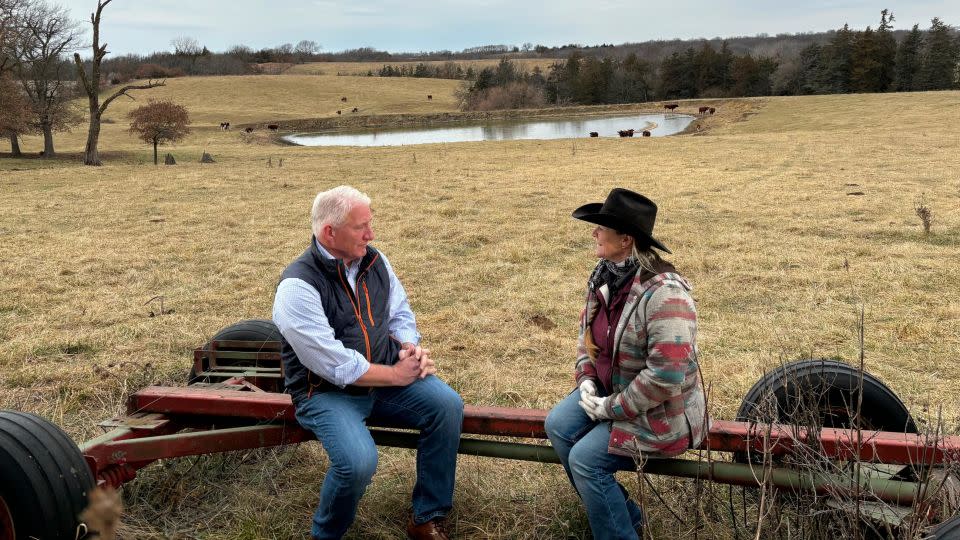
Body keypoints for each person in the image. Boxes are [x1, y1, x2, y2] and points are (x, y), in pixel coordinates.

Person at [273, 185, 464, 540]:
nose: (371, 234)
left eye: (370, 224)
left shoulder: (375, 261)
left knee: (447, 406)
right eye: (361, 226)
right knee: (358, 462)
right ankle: (326, 534)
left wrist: (408, 347)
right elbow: (333, 365)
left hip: (384, 380)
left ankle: (426, 517)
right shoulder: (297, 286)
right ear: (330, 232)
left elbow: (400, 313)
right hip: (327, 394)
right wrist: (394, 373)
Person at [544, 188, 707, 540]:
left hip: (663, 413)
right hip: (612, 391)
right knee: (558, 424)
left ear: (626, 240)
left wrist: (609, 409)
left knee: (586, 461)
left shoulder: (667, 294)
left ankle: (619, 529)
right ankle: (622, 514)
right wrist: (586, 377)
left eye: (602, 227)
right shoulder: (604, 277)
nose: (594, 233)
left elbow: (666, 377)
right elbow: (587, 337)